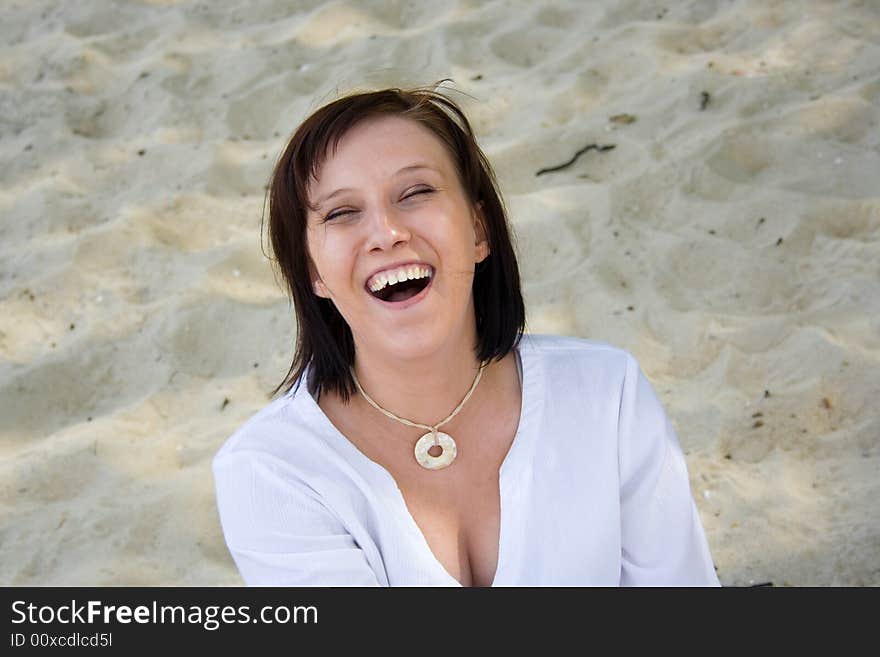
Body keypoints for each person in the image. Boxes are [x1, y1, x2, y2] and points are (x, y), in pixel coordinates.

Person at [212, 82, 720, 587]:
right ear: (313, 272)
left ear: (478, 230)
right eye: (342, 213)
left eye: (415, 193)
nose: (388, 232)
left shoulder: (609, 396)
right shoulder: (271, 471)